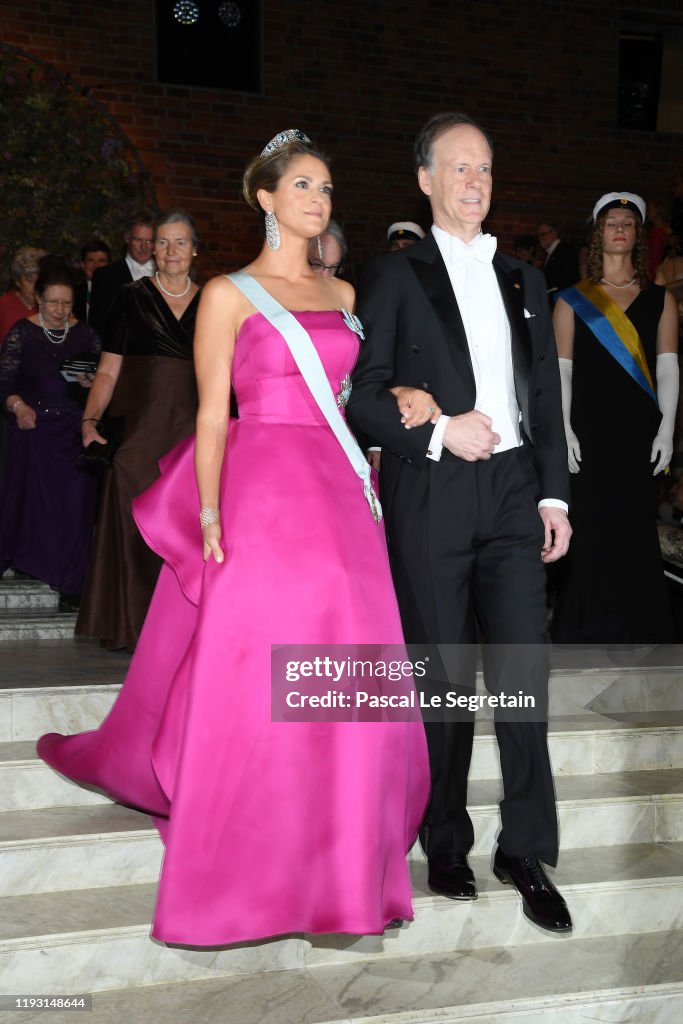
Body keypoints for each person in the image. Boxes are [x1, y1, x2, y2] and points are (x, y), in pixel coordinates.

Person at [38, 130, 430, 946]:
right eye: (302, 186)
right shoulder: (229, 293)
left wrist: (410, 400)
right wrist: (211, 511)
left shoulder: (347, 294)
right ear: (266, 197)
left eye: (326, 188)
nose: (317, 200)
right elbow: (212, 411)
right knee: (261, 661)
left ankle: (339, 848)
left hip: (340, 492)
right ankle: (253, 838)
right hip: (261, 491)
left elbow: (359, 398)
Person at [347, 111, 573, 933]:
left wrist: (553, 494)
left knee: (522, 674)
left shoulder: (525, 278)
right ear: (424, 179)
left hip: (515, 492)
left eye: (483, 169)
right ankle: (443, 838)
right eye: (458, 168)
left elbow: (541, 395)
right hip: (435, 490)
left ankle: (525, 847)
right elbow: (362, 393)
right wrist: (440, 430)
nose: (474, 183)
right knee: (438, 677)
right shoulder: (395, 273)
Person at [552, 192, 678, 644]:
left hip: (639, 434)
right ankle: (584, 627)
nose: (620, 228)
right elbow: (561, 369)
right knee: (588, 529)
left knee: (634, 526)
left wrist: (666, 427)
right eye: (611, 222)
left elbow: (668, 366)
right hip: (588, 431)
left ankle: (639, 627)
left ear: (638, 236)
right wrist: (562, 427)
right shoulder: (571, 300)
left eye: (628, 222)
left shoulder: (660, 299)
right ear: (598, 233)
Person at [75, 209, 200, 651]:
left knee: (186, 529)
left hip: (193, 434)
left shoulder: (217, 301)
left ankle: (182, 630)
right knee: (133, 517)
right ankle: (134, 625)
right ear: (150, 249)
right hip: (141, 432)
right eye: (162, 242)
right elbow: (108, 372)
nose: (169, 251)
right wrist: (90, 420)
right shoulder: (130, 297)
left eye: (180, 242)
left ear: (195, 250)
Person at [0, 258, 100, 609]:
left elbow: (102, 384)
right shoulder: (21, 333)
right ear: (38, 299)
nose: (60, 310)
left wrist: (90, 386)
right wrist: (18, 406)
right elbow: (4, 383)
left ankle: (72, 580)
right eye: (53, 302)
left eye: (67, 303)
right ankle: (32, 562)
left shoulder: (86, 334)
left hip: (73, 431)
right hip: (35, 430)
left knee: (75, 505)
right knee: (35, 505)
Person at [88, 211, 155, 336]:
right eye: (138, 240)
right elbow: (97, 325)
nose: (143, 247)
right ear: (127, 239)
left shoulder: (166, 274)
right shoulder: (104, 276)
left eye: (149, 241)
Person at [0, 247, 47, 343]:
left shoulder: (53, 304)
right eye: (29, 280)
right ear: (17, 281)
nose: (35, 286)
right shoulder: (3, 305)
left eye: (40, 280)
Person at [537, 221, 579, 304]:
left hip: (560, 301)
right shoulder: (551, 253)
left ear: (554, 233)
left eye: (543, 234)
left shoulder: (565, 250)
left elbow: (567, 280)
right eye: (539, 235)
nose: (540, 238)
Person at [73, 238, 111, 323]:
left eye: (101, 261)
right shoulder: (73, 293)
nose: (96, 266)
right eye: (91, 261)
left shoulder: (119, 293)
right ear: (83, 265)